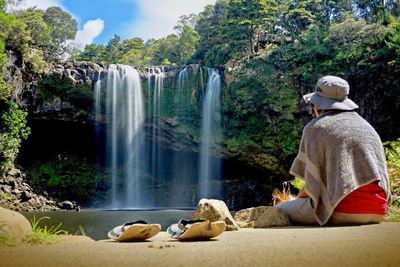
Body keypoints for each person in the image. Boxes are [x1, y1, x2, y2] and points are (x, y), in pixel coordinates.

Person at [277, 75, 392, 225]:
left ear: (317, 105)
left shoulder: (315, 128)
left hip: (342, 211)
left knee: (280, 210)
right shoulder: (366, 127)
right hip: (379, 210)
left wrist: (297, 200)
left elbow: (312, 183)